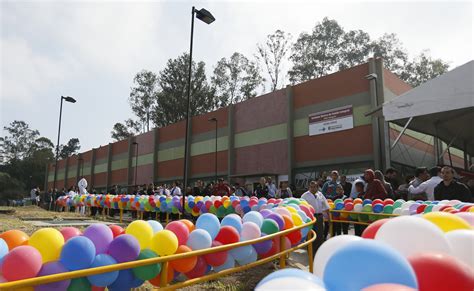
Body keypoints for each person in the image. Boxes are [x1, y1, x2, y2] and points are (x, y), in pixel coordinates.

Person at [301, 181, 330, 256]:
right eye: (311, 187)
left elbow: (326, 206)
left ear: (317, 187)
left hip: (319, 217)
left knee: (320, 236)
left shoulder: (320, 194)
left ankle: (318, 253)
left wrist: (329, 217)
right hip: (310, 217)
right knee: (310, 236)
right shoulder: (304, 196)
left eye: (314, 187)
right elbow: (301, 207)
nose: (313, 188)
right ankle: (311, 254)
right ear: (309, 187)